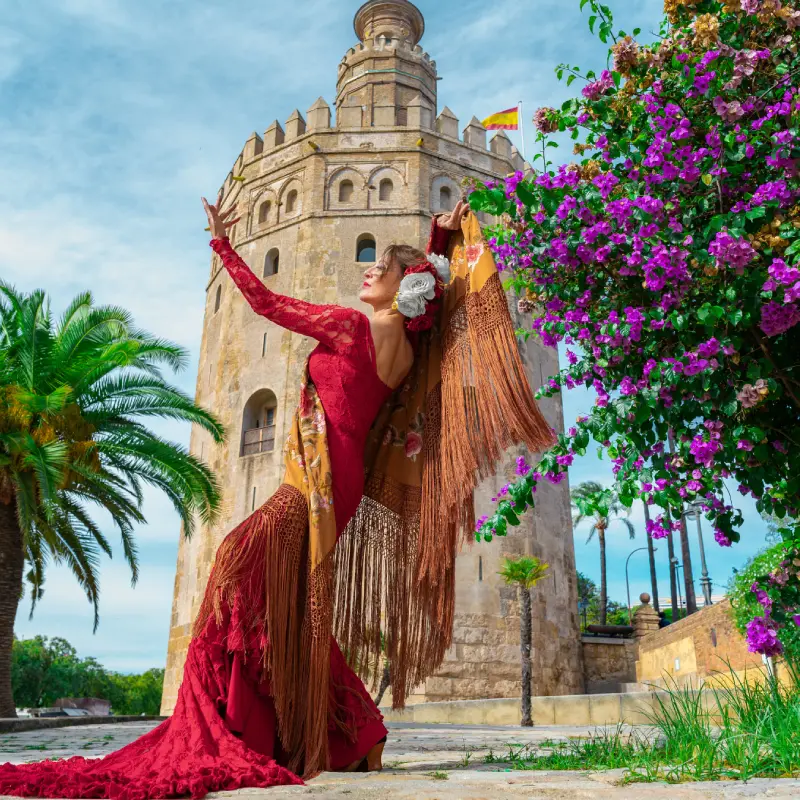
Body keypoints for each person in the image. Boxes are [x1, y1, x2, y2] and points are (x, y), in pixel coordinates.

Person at [0, 193, 555, 799]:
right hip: (332, 493)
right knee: (286, 610)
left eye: (379, 270)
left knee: (234, 563)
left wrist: (221, 245)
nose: (366, 272)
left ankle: (241, 726)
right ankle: (354, 732)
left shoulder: (351, 327)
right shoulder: (406, 353)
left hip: (307, 490)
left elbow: (268, 302)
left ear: (402, 287)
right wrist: (438, 239)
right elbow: (430, 290)